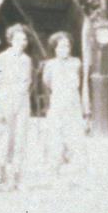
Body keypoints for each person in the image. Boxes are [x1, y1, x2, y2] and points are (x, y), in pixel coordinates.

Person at [0, 24, 38, 189]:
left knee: (20, 139)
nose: (22, 42)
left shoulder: (27, 60)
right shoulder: (2, 58)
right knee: (5, 140)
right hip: (5, 101)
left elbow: (29, 83)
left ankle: (17, 179)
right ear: (10, 40)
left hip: (22, 102)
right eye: (17, 39)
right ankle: (2, 179)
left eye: (24, 39)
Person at [40, 31, 85, 181]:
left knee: (74, 140)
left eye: (67, 46)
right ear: (54, 48)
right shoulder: (50, 65)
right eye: (60, 47)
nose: (64, 49)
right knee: (55, 140)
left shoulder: (76, 63)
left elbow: (81, 85)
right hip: (58, 106)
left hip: (73, 106)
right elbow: (47, 84)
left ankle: (75, 176)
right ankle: (54, 174)